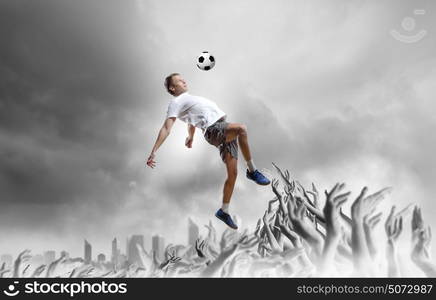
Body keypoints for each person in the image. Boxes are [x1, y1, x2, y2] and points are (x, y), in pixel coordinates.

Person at [146, 73, 270, 229]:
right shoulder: (175, 102)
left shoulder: (189, 101)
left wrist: (190, 137)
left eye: (183, 78)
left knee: (233, 174)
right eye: (179, 80)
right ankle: (252, 171)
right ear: (172, 87)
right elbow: (166, 127)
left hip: (222, 130)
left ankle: (223, 211)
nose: (184, 80)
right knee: (241, 129)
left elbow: (191, 122)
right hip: (215, 130)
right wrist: (154, 151)